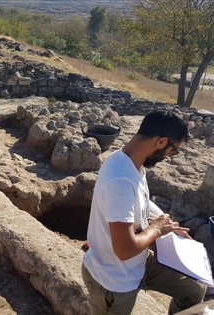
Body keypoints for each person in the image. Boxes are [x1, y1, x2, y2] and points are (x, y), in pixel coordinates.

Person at [82, 109, 206, 314]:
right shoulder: (120, 180)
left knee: (193, 291)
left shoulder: (129, 161)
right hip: (114, 279)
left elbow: (140, 202)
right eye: (172, 150)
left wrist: (167, 225)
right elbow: (124, 250)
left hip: (137, 264)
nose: (169, 156)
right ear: (161, 141)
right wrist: (157, 229)